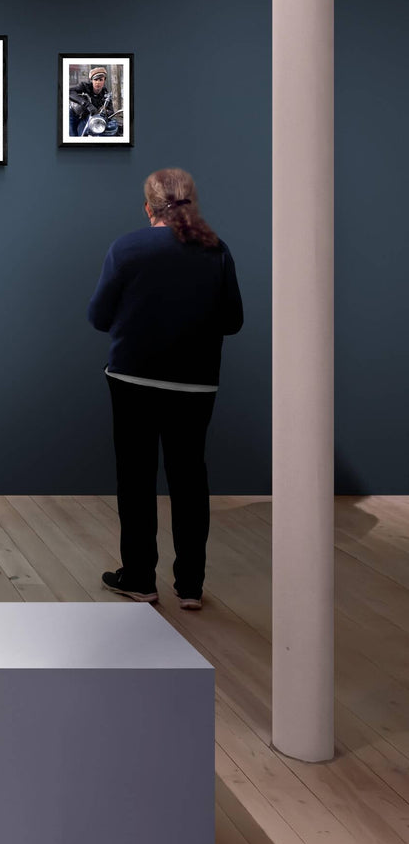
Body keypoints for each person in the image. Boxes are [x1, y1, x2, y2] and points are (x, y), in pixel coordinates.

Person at [88, 169, 243, 610]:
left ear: (147, 207)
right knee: (190, 478)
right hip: (195, 384)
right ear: (191, 204)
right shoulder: (217, 250)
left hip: (132, 378)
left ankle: (139, 578)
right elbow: (233, 320)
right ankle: (190, 586)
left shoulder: (127, 248)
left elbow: (99, 316)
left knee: (135, 478)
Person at [68, 66, 115, 137]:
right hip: (75, 114)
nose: (98, 82)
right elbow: (69, 92)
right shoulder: (84, 86)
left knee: (85, 133)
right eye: (95, 80)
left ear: (104, 80)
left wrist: (104, 112)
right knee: (73, 136)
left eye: (100, 80)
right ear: (92, 80)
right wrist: (87, 104)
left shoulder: (105, 93)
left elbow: (111, 111)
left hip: (87, 117)